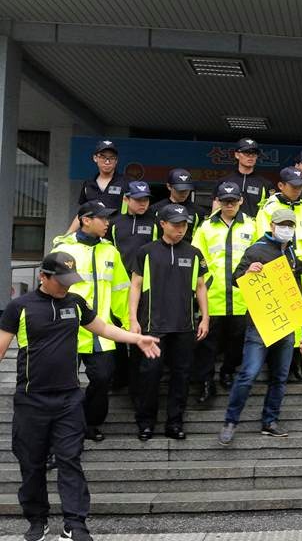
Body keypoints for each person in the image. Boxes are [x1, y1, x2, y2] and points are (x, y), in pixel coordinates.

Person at [0, 252, 160, 541]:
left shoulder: (75, 303)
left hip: (68, 399)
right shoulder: (19, 307)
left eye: (70, 281)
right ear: (43, 277)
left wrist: (137, 338)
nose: (66, 287)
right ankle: (37, 519)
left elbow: (103, 328)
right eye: (60, 281)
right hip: (31, 400)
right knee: (32, 463)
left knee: (70, 459)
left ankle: (75, 523)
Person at [218, 208, 302, 445]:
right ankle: (231, 421)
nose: (286, 229)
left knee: (280, 377)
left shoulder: (290, 251)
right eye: (282, 224)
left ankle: (269, 421)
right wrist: (248, 272)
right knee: (248, 374)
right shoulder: (256, 249)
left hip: (286, 323)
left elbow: (298, 268)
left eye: (290, 225)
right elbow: (235, 278)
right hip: (260, 324)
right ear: (272, 225)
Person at [128, 203, 210, 441]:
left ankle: (175, 423)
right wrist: (133, 319)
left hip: (184, 326)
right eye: (175, 224)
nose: (180, 229)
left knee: (182, 376)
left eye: (184, 224)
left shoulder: (194, 253)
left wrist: (205, 317)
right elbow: (135, 286)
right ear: (162, 224)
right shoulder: (146, 251)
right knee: (150, 375)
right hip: (153, 326)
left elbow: (201, 286)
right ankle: (145, 423)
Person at [50, 200, 130, 442]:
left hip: (101, 331)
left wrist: (128, 322)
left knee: (103, 378)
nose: (108, 223)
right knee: (63, 384)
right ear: (86, 220)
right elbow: (49, 291)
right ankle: (61, 432)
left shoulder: (110, 251)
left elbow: (121, 290)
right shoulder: (63, 251)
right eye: (103, 218)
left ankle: (89, 422)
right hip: (67, 331)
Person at [192, 181, 257, 399]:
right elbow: (197, 260)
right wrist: (203, 286)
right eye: (225, 201)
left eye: (233, 201)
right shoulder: (206, 227)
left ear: (240, 201)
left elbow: (259, 256)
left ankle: (228, 372)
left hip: (242, 297)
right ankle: (206, 382)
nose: (229, 205)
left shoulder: (252, 226)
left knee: (237, 342)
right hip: (213, 297)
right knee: (207, 345)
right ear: (217, 202)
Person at [107, 180, 156, 391]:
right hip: (117, 286)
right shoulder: (115, 222)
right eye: (137, 199)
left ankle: (137, 381)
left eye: (145, 199)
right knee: (116, 331)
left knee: (140, 331)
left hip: (145, 287)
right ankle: (120, 377)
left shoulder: (156, 222)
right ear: (126, 199)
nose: (142, 203)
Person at [255, 166, 302, 306]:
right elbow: (264, 246)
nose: (297, 190)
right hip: (278, 271)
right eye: (293, 186)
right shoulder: (268, 209)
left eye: (300, 186)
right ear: (281, 185)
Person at [67, 140, 129, 233]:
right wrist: (67, 234)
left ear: (116, 161)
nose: (107, 161)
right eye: (103, 157)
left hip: (117, 235)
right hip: (92, 236)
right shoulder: (88, 184)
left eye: (111, 158)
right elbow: (82, 213)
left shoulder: (126, 183)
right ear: (95, 158)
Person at [220, 138, 273, 218]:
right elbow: (216, 208)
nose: (250, 156)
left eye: (254, 153)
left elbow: (270, 211)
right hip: (229, 228)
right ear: (237, 155)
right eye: (246, 153)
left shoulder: (265, 183)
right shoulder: (225, 181)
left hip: (255, 228)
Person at [149, 168, 202, 243]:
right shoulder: (155, 209)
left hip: (187, 252)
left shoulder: (198, 211)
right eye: (180, 190)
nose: (184, 193)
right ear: (169, 186)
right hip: (160, 251)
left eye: (186, 189)